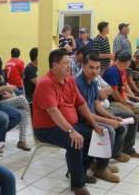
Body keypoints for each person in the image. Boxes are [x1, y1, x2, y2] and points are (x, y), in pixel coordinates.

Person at [33, 49, 104, 195]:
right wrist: (71, 131)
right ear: (54, 65)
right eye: (65, 63)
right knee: (75, 142)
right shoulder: (45, 83)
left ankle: (80, 172)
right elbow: (53, 111)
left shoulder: (69, 80)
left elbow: (81, 104)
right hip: (47, 129)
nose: (69, 66)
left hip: (68, 125)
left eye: (69, 63)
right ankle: (78, 185)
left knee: (95, 134)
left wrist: (94, 124)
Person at [75, 52, 125, 182]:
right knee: (109, 130)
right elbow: (85, 113)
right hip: (80, 121)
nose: (95, 71)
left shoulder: (93, 81)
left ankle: (101, 163)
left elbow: (96, 104)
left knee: (119, 127)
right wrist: (108, 121)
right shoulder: (78, 83)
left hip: (91, 117)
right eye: (91, 67)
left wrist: (112, 117)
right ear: (83, 66)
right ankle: (100, 169)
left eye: (97, 68)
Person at [0, 55, 31, 151]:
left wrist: (12, 95)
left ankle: (22, 141)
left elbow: (7, 86)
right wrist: (10, 95)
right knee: (22, 99)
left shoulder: (1, 73)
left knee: (24, 113)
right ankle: (33, 119)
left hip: (7, 99)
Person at [102, 50, 139, 158]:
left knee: (134, 113)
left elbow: (122, 89)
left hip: (115, 101)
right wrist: (126, 103)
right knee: (132, 117)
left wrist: (130, 99)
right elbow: (115, 95)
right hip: (111, 103)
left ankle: (126, 146)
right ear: (127, 62)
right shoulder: (112, 71)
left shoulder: (119, 69)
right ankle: (127, 148)